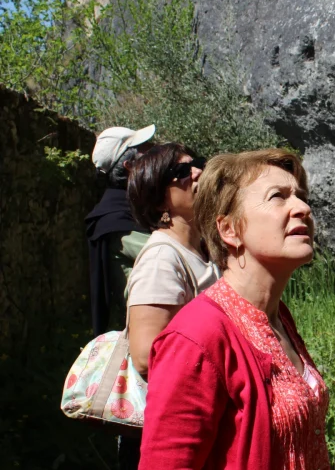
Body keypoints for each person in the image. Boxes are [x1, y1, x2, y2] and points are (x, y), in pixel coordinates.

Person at [139, 149, 329, 470]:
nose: (303, 208)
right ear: (230, 230)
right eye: (278, 197)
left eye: (301, 196)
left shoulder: (278, 315)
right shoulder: (197, 337)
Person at [122, 142, 221, 468]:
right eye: (181, 172)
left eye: (198, 163)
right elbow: (145, 355)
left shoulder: (201, 250)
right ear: (158, 197)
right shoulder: (162, 257)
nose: (197, 172)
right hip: (181, 427)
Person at [85, 125, 155, 337]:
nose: (154, 155)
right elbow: (173, 254)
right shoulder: (116, 222)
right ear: (129, 166)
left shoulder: (133, 209)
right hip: (148, 333)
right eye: (146, 151)